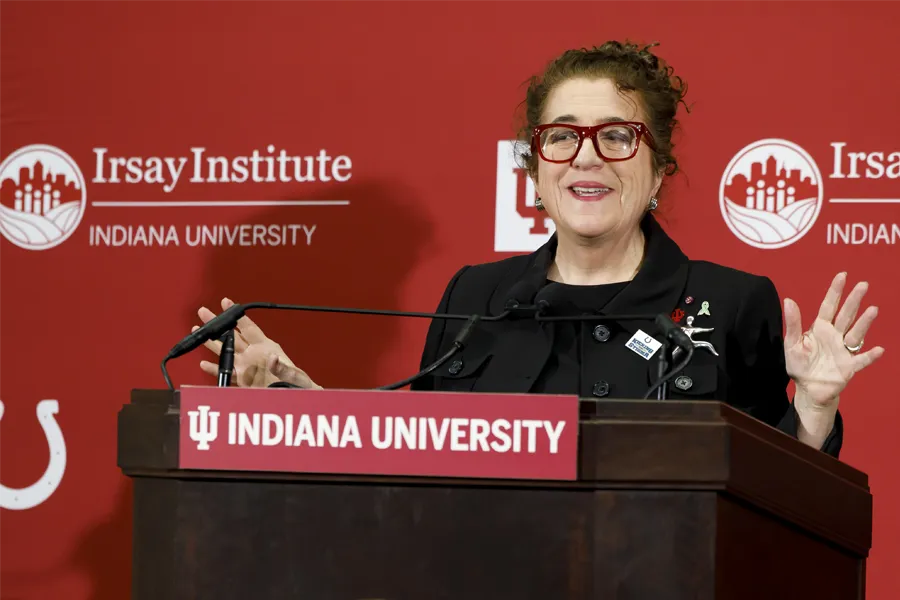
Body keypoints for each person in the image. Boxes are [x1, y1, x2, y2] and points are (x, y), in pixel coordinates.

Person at [192, 41, 883, 457]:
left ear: (659, 169)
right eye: (563, 136)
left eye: (617, 136)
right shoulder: (479, 296)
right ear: (534, 170)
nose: (589, 158)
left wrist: (816, 407)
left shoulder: (733, 302)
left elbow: (783, 505)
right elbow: (418, 456)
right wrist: (297, 393)